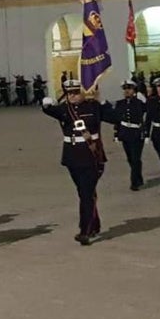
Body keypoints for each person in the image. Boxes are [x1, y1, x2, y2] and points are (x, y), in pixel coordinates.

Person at [42, 80, 117, 245]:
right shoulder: (64, 109)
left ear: (83, 93)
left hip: (92, 156)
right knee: (84, 193)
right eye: (69, 93)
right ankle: (94, 223)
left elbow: (115, 117)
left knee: (86, 194)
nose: (72, 96)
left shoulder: (94, 107)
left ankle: (85, 230)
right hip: (72, 158)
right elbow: (48, 110)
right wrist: (46, 103)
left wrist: (103, 102)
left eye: (75, 93)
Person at [113, 79, 147, 190]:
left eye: (129, 89)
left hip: (136, 133)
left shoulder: (139, 103)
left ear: (134, 90)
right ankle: (139, 177)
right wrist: (116, 134)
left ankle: (134, 182)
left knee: (136, 158)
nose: (127, 91)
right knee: (130, 159)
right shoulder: (120, 103)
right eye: (125, 89)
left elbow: (146, 116)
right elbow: (117, 119)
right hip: (125, 133)